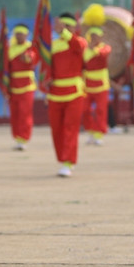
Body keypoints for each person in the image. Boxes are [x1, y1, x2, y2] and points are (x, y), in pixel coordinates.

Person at [41, 13, 87, 178]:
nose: (65, 29)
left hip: (74, 92)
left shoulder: (79, 42)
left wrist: (66, 33)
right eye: (62, 26)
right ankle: (62, 159)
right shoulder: (53, 45)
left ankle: (68, 162)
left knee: (70, 128)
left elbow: (78, 47)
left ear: (74, 28)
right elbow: (46, 67)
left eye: (68, 26)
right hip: (55, 94)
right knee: (57, 130)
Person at [5, 23, 38, 150]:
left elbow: (30, 59)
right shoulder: (10, 49)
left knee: (25, 113)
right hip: (13, 85)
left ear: (26, 35)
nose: (19, 36)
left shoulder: (30, 48)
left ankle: (23, 138)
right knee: (15, 113)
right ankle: (17, 137)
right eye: (17, 33)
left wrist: (26, 56)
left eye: (21, 34)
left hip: (27, 85)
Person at [81, 26, 112, 146]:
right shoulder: (85, 50)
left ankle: (99, 134)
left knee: (100, 110)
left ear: (100, 37)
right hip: (87, 84)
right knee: (85, 110)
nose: (94, 38)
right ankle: (90, 132)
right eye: (92, 35)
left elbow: (102, 55)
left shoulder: (105, 48)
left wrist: (93, 48)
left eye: (96, 35)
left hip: (101, 85)